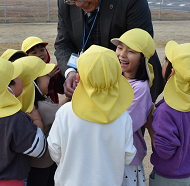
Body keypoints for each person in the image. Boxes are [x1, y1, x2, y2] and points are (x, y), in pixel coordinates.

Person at [53, 0, 164, 102]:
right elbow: (63, 44)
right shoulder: (66, 1)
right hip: (93, 83)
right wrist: (70, 73)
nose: (78, 4)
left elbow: (138, 48)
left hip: (131, 81)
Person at [47, 45, 136, 186]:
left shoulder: (65, 112)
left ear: (79, 77)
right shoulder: (123, 117)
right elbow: (128, 155)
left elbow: (54, 149)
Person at [145, 41, 190, 186]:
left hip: (171, 179)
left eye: (166, 61)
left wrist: (150, 125)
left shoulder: (166, 111)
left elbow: (164, 152)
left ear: (171, 72)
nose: (163, 64)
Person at [0, 58, 47, 185]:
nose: (21, 79)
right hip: (8, 182)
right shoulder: (16, 119)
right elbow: (40, 149)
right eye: (17, 76)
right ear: (7, 88)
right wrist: (37, 120)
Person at [111, 28, 156, 186]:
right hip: (112, 153)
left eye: (131, 51)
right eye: (120, 47)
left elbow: (124, 123)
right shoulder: (117, 78)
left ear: (142, 58)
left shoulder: (140, 88)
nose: (122, 54)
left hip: (127, 159)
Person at [27, 63, 70, 186]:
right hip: (44, 163)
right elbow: (61, 113)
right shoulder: (44, 107)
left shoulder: (33, 102)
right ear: (35, 82)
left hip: (33, 162)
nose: (49, 78)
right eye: (46, 76)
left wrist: (67, 98)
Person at [22, 36, 66, 104]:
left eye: (42, 50)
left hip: (52, 108)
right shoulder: (27, 74)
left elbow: (62, 90)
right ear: (26, 57)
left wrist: (61, 75)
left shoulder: (51, 69)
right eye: (34, 53)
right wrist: (48, 77)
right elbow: (39, 94)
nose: (39, 54)